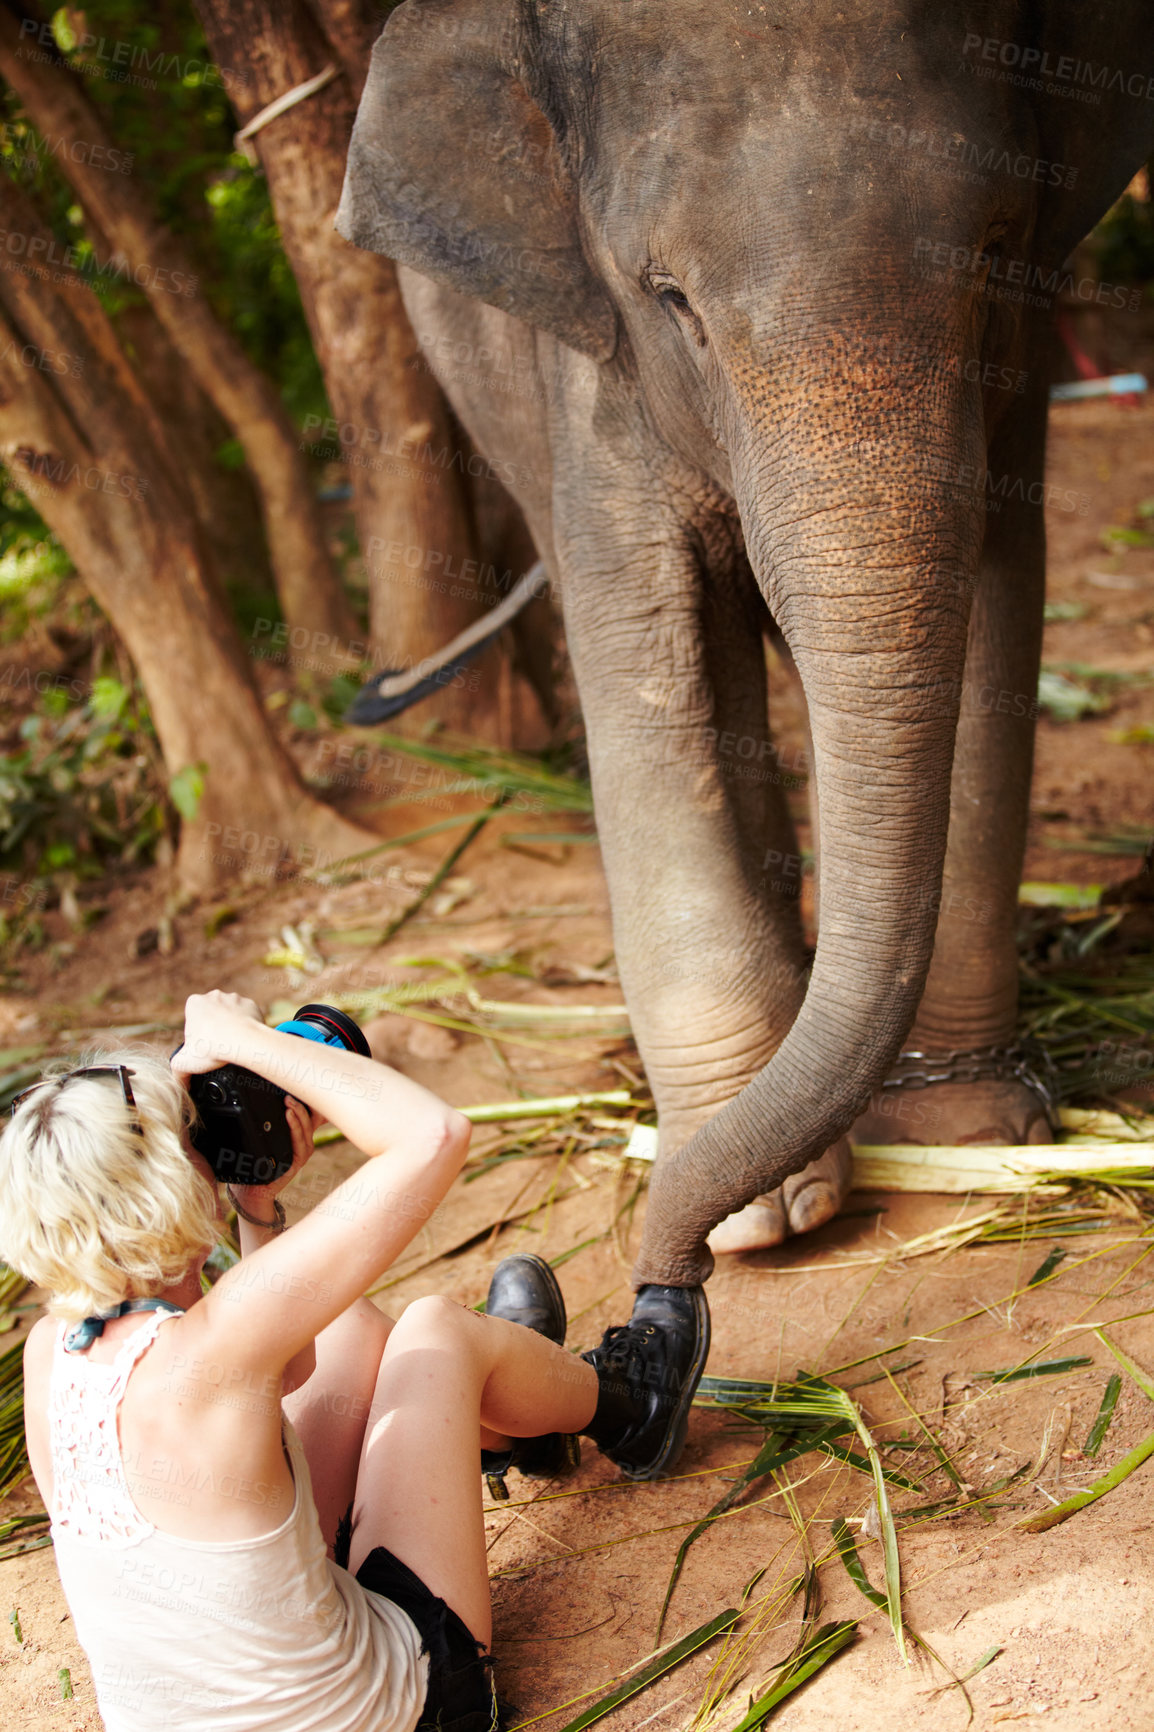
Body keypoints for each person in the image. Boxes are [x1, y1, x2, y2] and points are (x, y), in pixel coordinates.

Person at [0, 989, 709, 1732]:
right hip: (402, 1715)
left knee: (349, 1332)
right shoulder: (218, 1347)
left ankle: (516, 1424)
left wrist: (254, 1205)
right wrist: (242, 1040)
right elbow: (432, 1134)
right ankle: (635, 1407)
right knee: (438, 1332)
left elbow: (291, 1372)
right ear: (177, 1190)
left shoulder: (52, 1348)